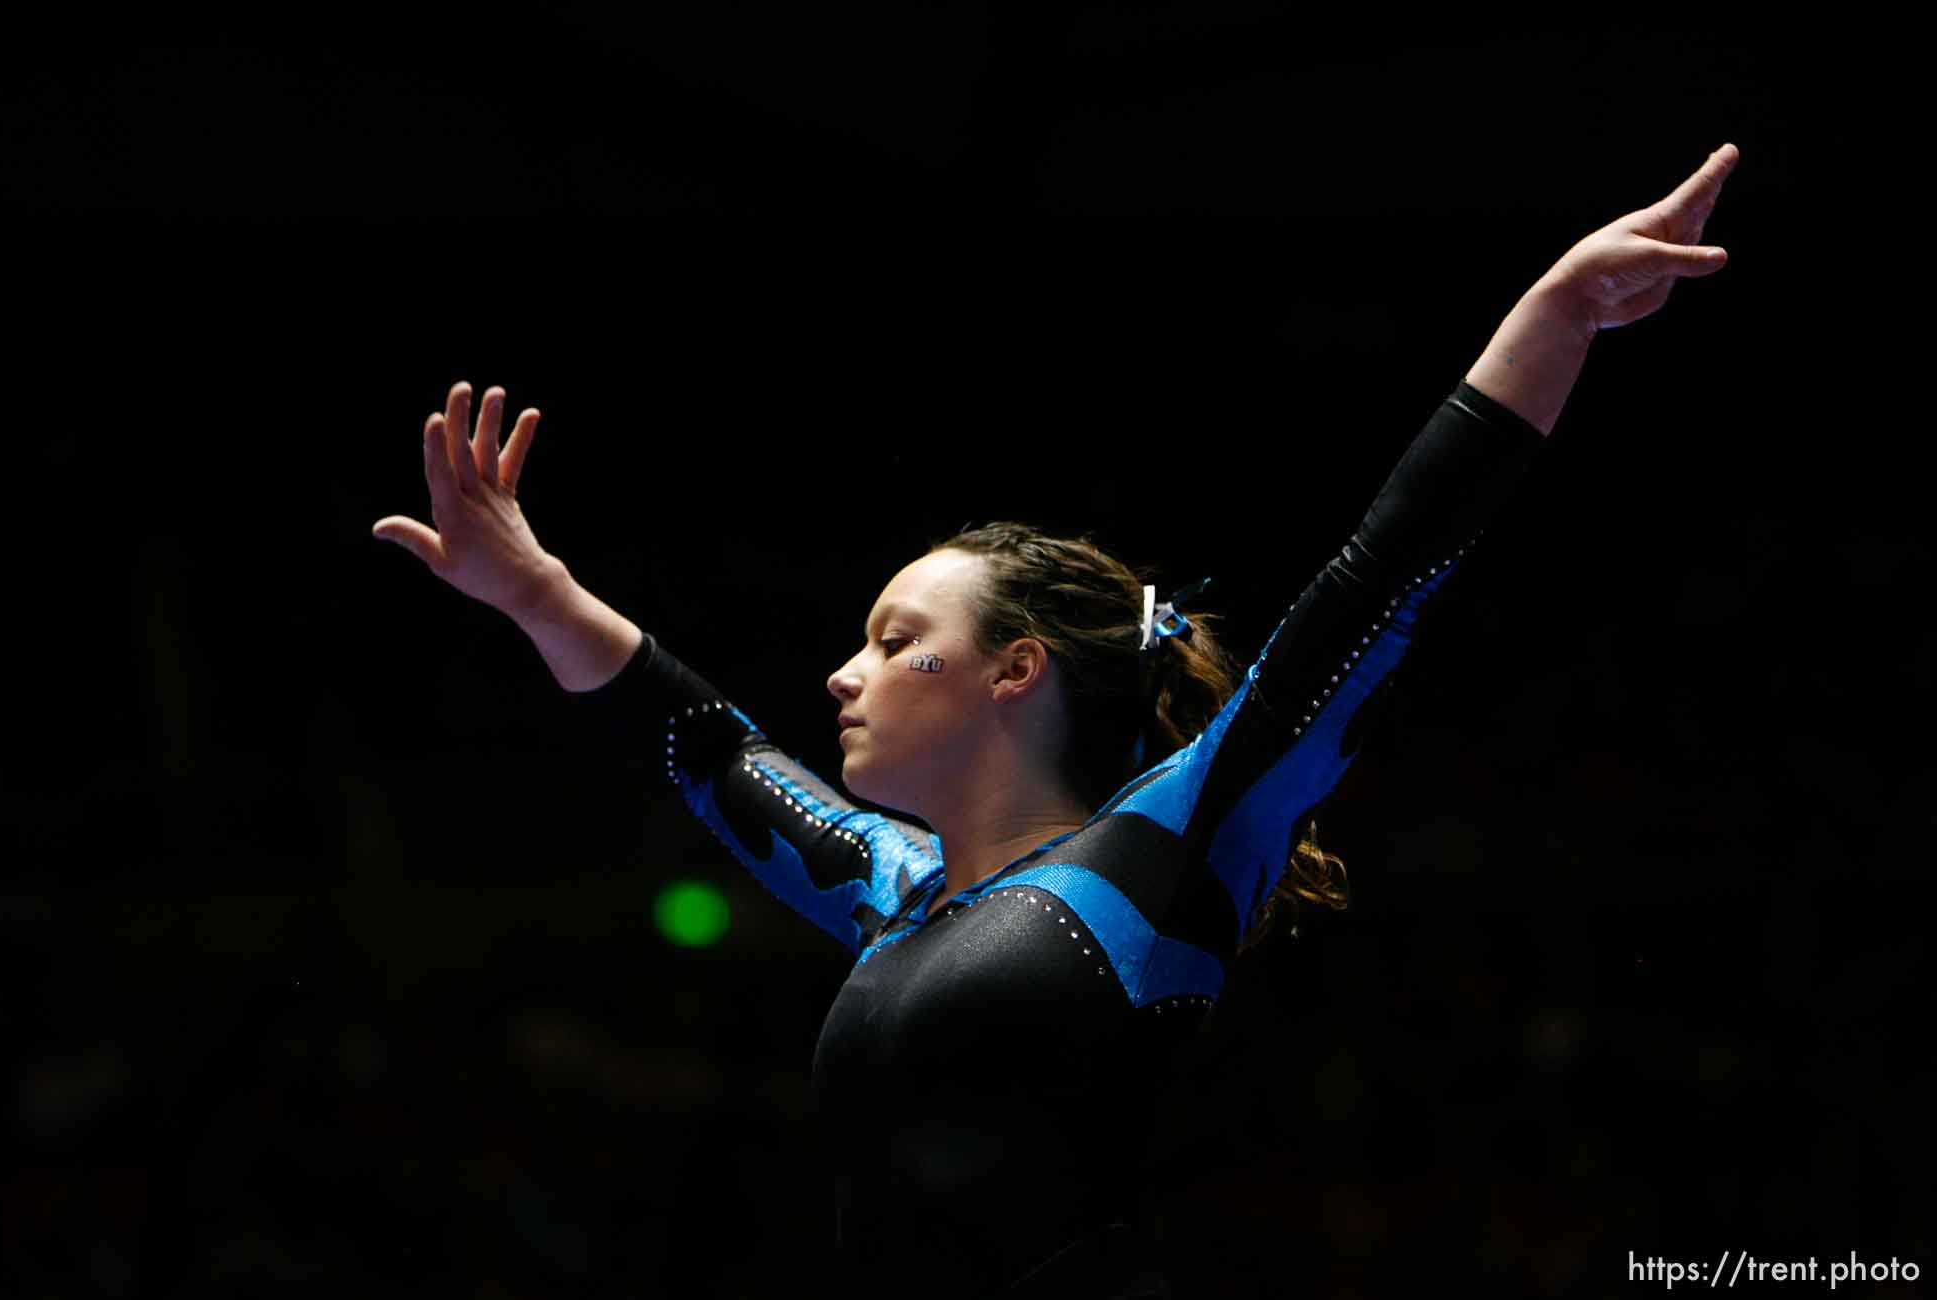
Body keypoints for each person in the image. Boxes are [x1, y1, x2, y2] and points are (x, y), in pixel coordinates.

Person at [373, 144, 1739, 1298]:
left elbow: (1369, 586)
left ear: (1016, 673)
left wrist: (1551, 319)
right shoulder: (894, 892)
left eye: (896, 642)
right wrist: (535, 590)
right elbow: (707, 748)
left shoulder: (1167, 851)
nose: (843, 675)